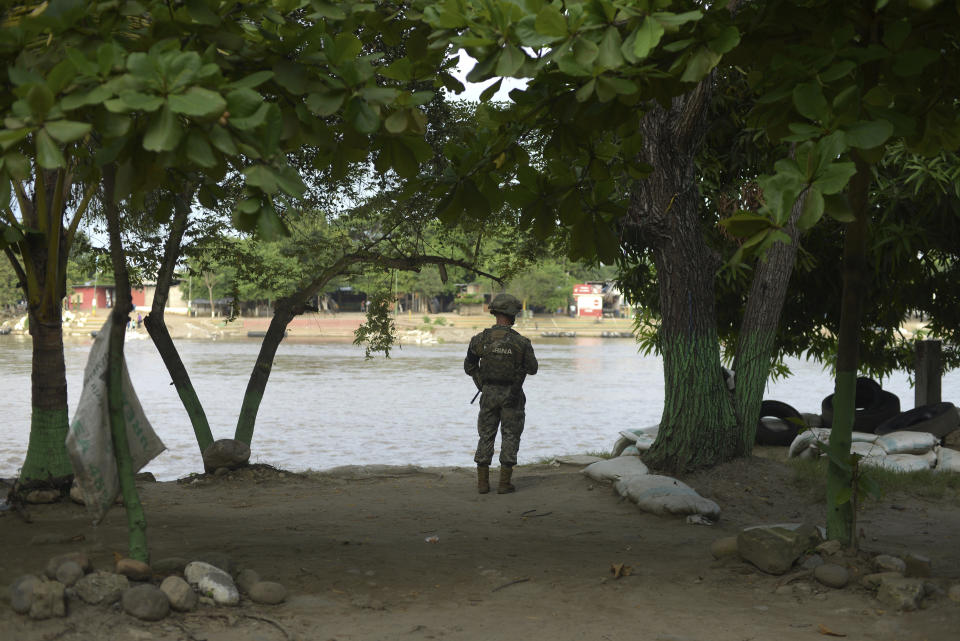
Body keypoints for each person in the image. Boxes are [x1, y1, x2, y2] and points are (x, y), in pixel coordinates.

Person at [463, 293, 538, 494]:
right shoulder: (521, 342)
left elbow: (469, 366)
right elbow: (532, 369)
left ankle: (482, 484)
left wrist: (482, 385)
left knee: (486, 435)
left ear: (495, 313)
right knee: (510, 436)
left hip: (488, 395)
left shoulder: (480, 339)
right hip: (512, 396)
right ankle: (504, 483)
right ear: (512, 315)